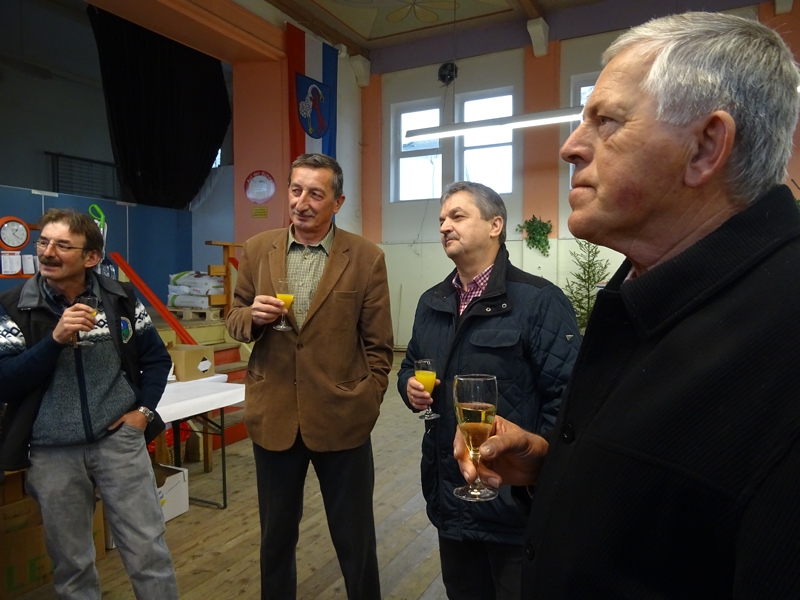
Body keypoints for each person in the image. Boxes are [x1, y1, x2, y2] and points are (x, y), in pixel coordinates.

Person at [456, 11, 800, 598]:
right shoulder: (641, 291)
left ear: (705, 147)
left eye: (606, 121)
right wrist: (547, 470)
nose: (569, 147)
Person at [398, 181, 581, 599]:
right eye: (441, 219)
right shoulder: (431, 302)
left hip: (514, 509)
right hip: (450, 499)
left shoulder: (539, 301)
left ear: (495, 225)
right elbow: (410, 365)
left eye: (457, 216)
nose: (444, 226)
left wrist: (538, 478)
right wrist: (408, 386)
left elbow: (568, 399)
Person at [226, 153, 394, 600]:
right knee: (276, 540)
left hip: (343, 417)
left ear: (337, 202)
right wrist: (252, 317)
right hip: (274, 416)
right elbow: (234, 317)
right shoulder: (258, 249)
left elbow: (379, 346)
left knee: (355, 539)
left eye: (315, 194)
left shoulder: (366, 257)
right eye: (296, 190)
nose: (301, 203)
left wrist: (368, 399)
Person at [0, 209, 178, 599]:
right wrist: (55, 340)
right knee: (72, 563)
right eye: (43, 242)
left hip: (119, 443)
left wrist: (142, 413)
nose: (47, 252)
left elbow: (156, 359)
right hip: (51, 453)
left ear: (92, 257)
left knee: (147, 550)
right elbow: (6, 382)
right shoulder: (14, 306)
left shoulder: (120, 298)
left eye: (63, 245)